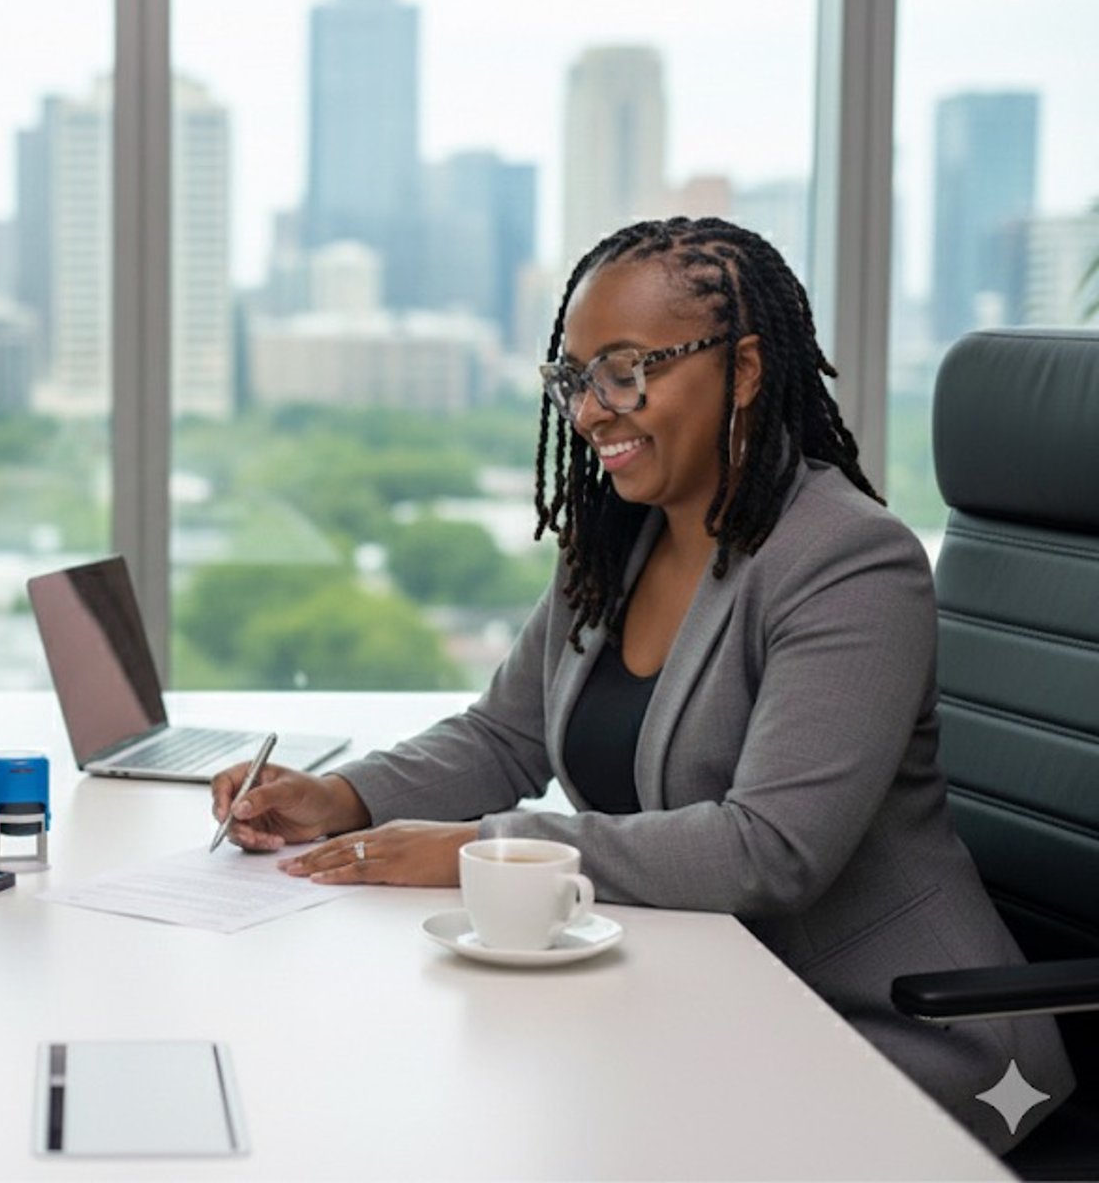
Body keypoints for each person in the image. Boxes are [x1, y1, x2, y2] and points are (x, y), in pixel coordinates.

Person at [210, 216, 1074, 1153]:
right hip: (709, 1003)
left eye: (625, 371)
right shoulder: (619, 542)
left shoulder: (849, 562)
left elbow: (771, 851)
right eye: (576, 379)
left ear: (743, 370)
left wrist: (491, 849)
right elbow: (507, 736)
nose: (589, 411)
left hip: (893, 1039)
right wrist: (341, 798)